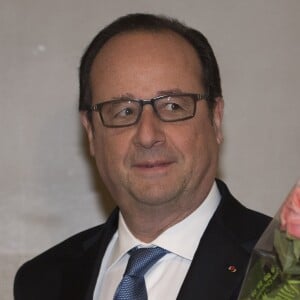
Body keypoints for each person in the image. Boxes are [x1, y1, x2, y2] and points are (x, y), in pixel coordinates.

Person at [14, 13, 271, 300]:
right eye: (123, 111)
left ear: (216, 118)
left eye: (173, 106)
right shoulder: (42, 281)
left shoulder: (284, 265)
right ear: (90, 133)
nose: (148, 135)